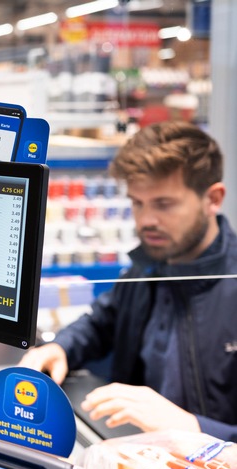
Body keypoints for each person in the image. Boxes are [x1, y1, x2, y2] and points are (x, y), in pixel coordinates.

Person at [19, 121, 237, 442]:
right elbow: (101, 322)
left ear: (213, 199)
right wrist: (60, 347)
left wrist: (194, 428)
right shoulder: (147, 268)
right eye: (137, 203)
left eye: (164, 204)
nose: (146, 220)